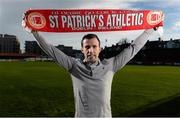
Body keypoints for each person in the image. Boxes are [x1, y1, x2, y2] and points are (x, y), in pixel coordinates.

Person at [22, 21, 158, 117]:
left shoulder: (110, 65)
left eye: (94, 46)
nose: (91, 50)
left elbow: (132, 49)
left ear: (100, 49)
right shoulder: (74, 66)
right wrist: (34, 32)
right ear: (82, 49)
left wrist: (150, 30)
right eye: (87, 47)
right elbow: (51, 50)